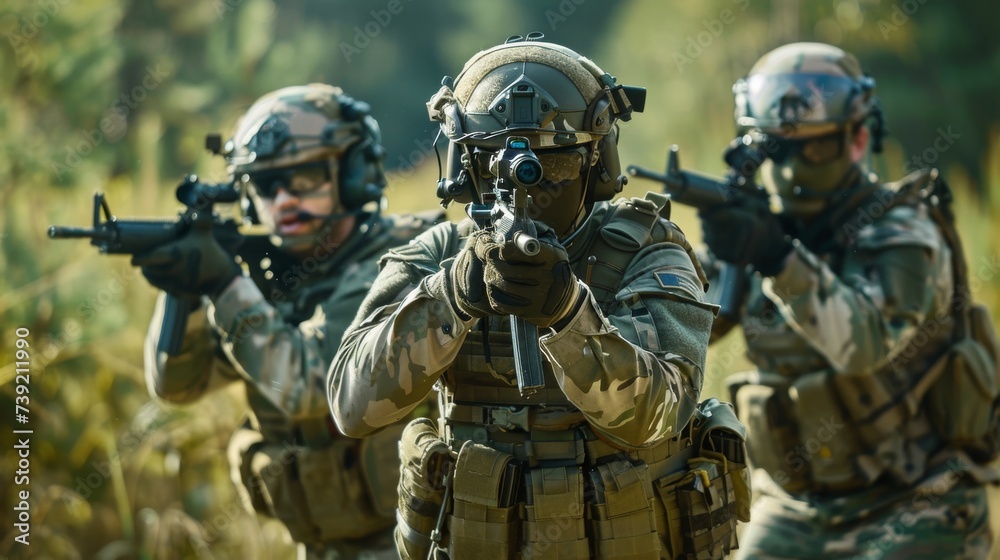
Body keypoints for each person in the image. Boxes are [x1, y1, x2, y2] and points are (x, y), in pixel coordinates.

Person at [328, 35, 750, 560]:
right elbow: (351, 405)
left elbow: (659, 415)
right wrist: (452, 298)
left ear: (597, 161)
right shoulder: (436, 254)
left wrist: (568, 316)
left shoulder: (647, 249)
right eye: (492, 163)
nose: (526, 189)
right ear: (464, 166)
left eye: (553, 166)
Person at [698, 42, 1000, 558]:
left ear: (858, 140)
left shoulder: (904, 229)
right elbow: (688, 329)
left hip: (916, 499)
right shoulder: (760, 229)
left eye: (813, 148)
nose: (792, 167)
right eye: (778, 148)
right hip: (797, 504)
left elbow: (864, 344)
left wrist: (773, 255)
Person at [133, 83, 439, 559]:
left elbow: (313, 389)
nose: (282, 202)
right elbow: (177, 385)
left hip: (413, 543)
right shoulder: (268, 278)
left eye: (303, 180)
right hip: (318, 546)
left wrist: (224, 285)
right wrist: (184, 289)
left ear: (353, 174)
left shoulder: (400, 263)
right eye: (264, 185)